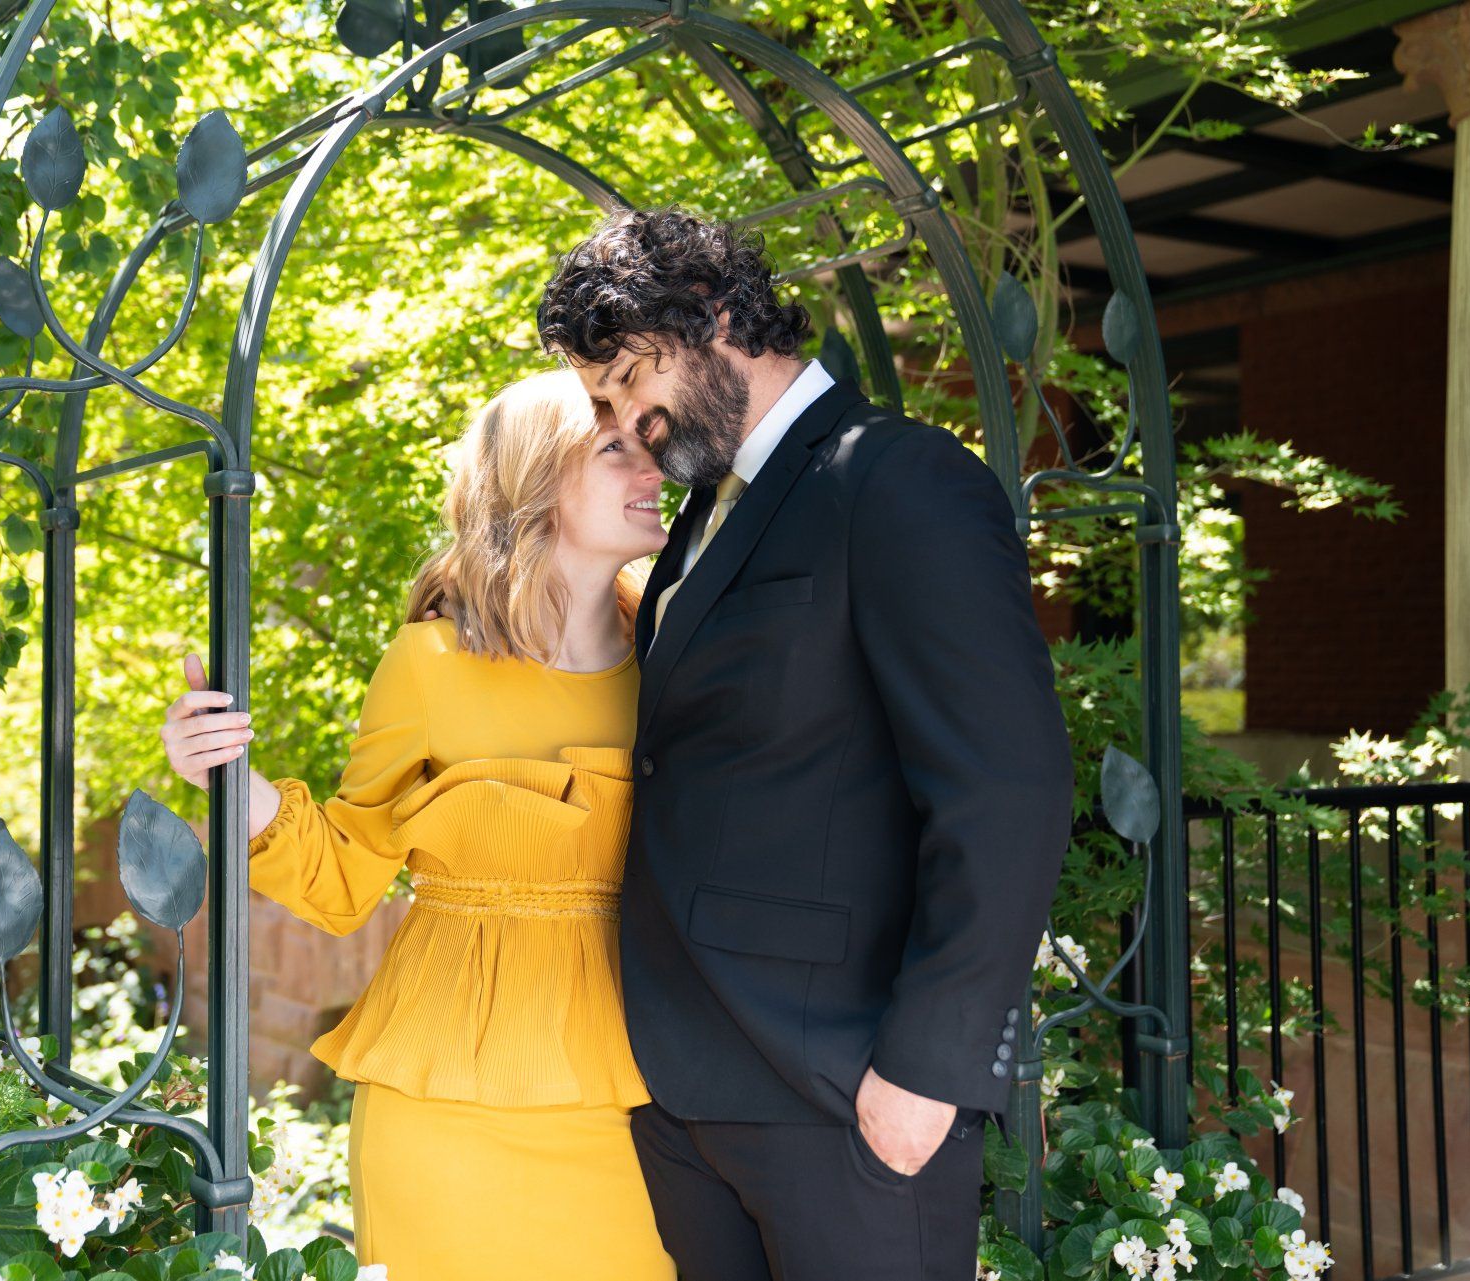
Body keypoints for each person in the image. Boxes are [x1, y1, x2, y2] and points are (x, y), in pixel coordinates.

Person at [535, 205, 1075, 1279]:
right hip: (689, 1092)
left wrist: (930, 1072)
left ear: (719, 313)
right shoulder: (701, 517)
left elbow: (1005, 791)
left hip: (849, 1096)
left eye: (632, 379)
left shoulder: (897, 479)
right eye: (604, 400)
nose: (627, 420)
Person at [157, 369, 676, 1280]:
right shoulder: (429, 661)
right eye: (615, 448)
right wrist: (240, 792)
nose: (654, 468)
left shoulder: (678, 657)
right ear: (534, 481)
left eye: (652, 441)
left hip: (637, 1095)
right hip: (444, 1110)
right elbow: (347, 877)